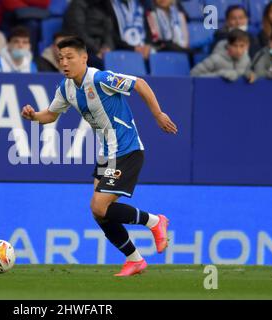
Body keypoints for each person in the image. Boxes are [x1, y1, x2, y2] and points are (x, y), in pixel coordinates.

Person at [20, 37, 177, 276]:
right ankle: (135, 260)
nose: (64, 63)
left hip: (127, 150)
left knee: (99, 206)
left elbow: (140, 84)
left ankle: (155, 222)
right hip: (106, 154)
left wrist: (158, 114)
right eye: (61, 58)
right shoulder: (66, 88)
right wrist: (33, 116)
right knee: (98, 212)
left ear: (84, 58)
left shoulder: (100, 79)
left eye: (70, 57)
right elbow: (50, 115)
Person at [63, 0, 115, 70]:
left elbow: (108, 29)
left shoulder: (105, 4)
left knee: (119, 63)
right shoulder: (77, 4)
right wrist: (97, 50)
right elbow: (78, 32)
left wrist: (107, 47)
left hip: (100, 49)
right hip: (84, 49)